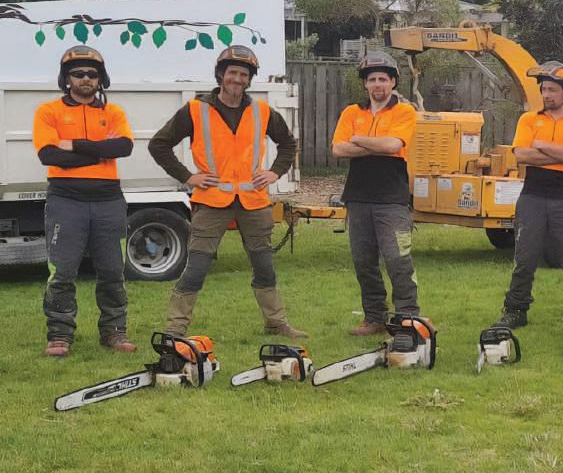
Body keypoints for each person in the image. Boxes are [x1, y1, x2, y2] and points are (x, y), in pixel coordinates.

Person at [148, 45, 306, 339]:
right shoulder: (195, 110)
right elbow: (159, 145)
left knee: (264, 266)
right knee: (196, 267)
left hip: (254, 201)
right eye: (232, 72)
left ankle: (276, 323)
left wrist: (274, 172)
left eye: (244, 74)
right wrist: (188, 177)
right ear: (221, 75)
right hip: (211, 201)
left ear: (249, 79)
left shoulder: (262, 111)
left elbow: (288, 144)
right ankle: (175, 328)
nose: (238, 79)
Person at [33, 46, 136, 357]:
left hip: (108, 200)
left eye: (92, 74)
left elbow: (124, 147)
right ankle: (59, 334)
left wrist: (75, 145)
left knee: (112, 270)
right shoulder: (48, 111)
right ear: (67, 78)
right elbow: (49, 155)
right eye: (78, 73)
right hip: (66, 200)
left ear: (100, 78)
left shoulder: (113, 112)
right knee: (62, 271)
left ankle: (114, 332)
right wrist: (98, 152)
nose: (86, 79)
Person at [332, 52, 422, 335]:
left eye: (383, 78)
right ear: (365, 84)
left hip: (392, 199)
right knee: (364, 262)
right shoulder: (351, 112)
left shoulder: (404, 112)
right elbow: (338, 149)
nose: (377, 84)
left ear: (393, 82)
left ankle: (408, 317)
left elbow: (394, 145)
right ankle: (374, 318)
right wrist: (375, 145)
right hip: (358, 197)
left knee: (398, 259)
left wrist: (358, 140)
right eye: (372, 79)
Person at [494, 61, 563, 330]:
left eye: (552, 89)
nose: (546, 94)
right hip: (532, 197)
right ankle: (515, 310)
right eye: (544, 89)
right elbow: (522, 155)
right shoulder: (528, 119)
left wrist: (542, 145)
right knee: (525, 258)